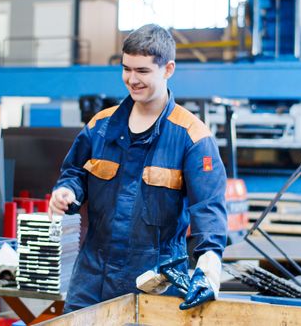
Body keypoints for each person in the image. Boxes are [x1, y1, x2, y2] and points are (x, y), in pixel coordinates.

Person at [49, 24, 228, 312]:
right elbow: (74, 172)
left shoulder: (192, 137)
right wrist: (66, 191)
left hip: (157, 282)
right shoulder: (101, 126)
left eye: (142, 71)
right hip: (92, 277)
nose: (132, 79)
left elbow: (208, 209)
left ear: (168, 69)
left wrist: (208, 270)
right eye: (126, 69)